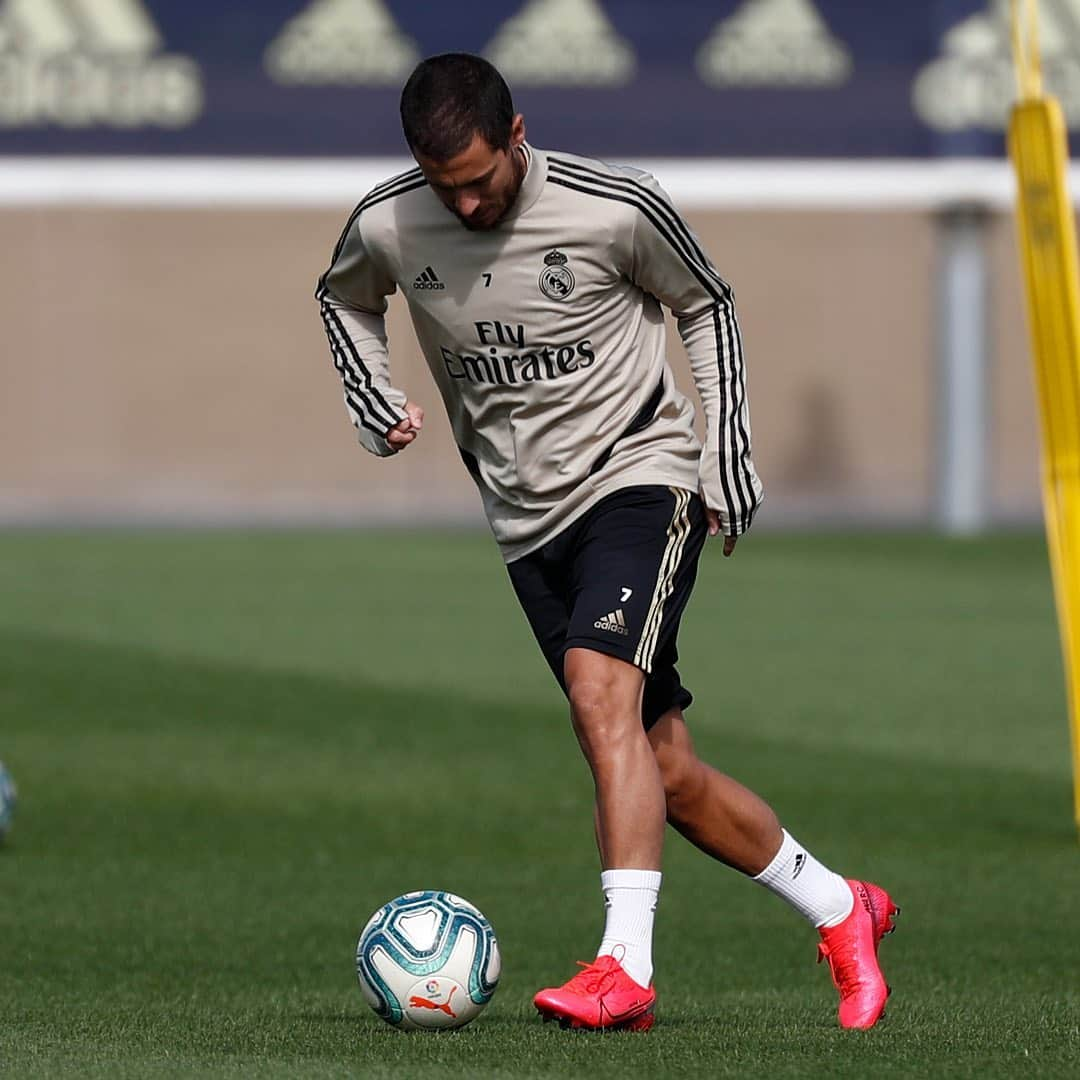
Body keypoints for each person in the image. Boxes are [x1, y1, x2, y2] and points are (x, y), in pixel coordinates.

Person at [317, 52, 898, 1033]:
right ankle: (844, 910)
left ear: (517, 136)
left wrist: (726, 453)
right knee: (662, 767)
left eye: (481, 181)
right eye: (443, 188)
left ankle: (623, 967)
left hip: (641, 478)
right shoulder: (387, 220)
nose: (462, 208)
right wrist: (371, 397)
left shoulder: (616, 207)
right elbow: (343, 296)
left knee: (599, 689)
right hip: (521, 519)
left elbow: (706, 303)